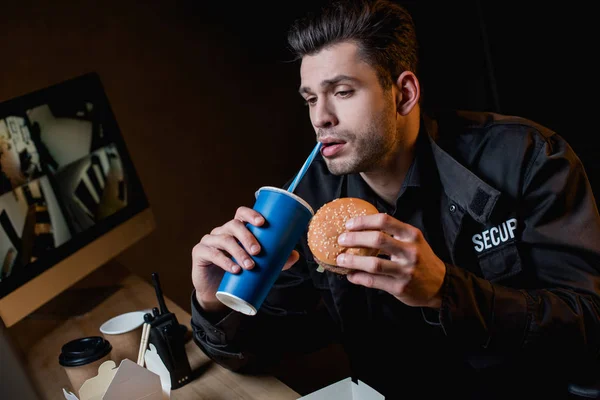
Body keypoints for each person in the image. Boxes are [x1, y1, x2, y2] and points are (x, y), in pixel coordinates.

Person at [190, 0, 600, 398]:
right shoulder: (309, 203)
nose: (320, 118)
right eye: (311, 99)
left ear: (403, 93)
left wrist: (445, 291)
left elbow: (589, 326)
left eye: (343, 92)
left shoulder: (526, 158)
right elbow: (268, 348)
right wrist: (215, 303)